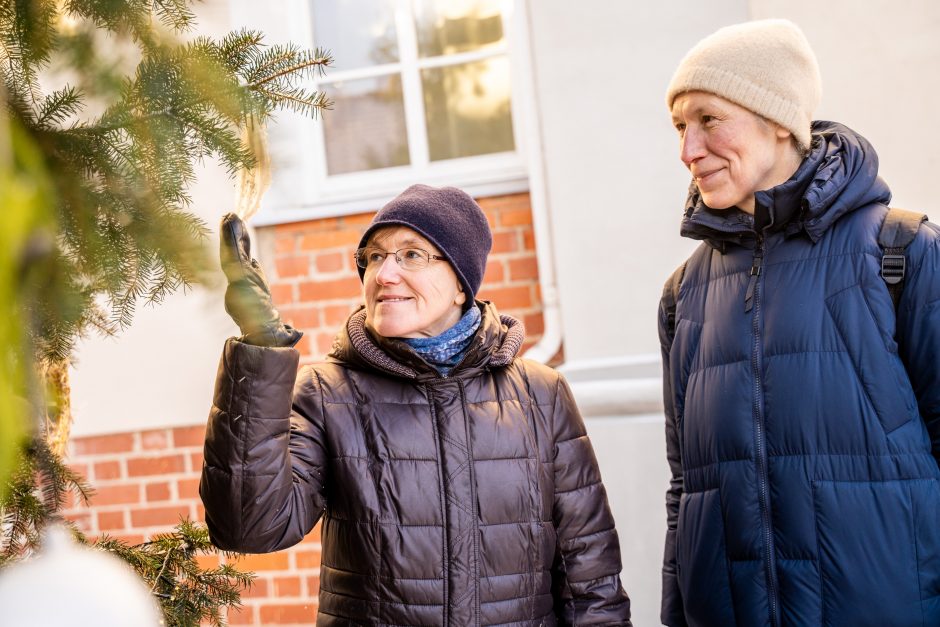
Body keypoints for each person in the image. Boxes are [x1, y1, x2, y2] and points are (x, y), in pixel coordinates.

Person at [200, 184, 632, 626]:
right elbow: (249, 527)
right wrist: (259, 350)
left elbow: (591, 577)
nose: (385, 274)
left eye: (411, 255)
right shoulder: (326, 393)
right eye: (374, 257)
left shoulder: (540, 395)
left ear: (461, 284)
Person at [658, 19, 940, 627]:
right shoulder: (684, 295)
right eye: (680, 127)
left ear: (779, 119)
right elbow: (685, 492)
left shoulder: (903, 254)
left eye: (709, 119)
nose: (688, 150)